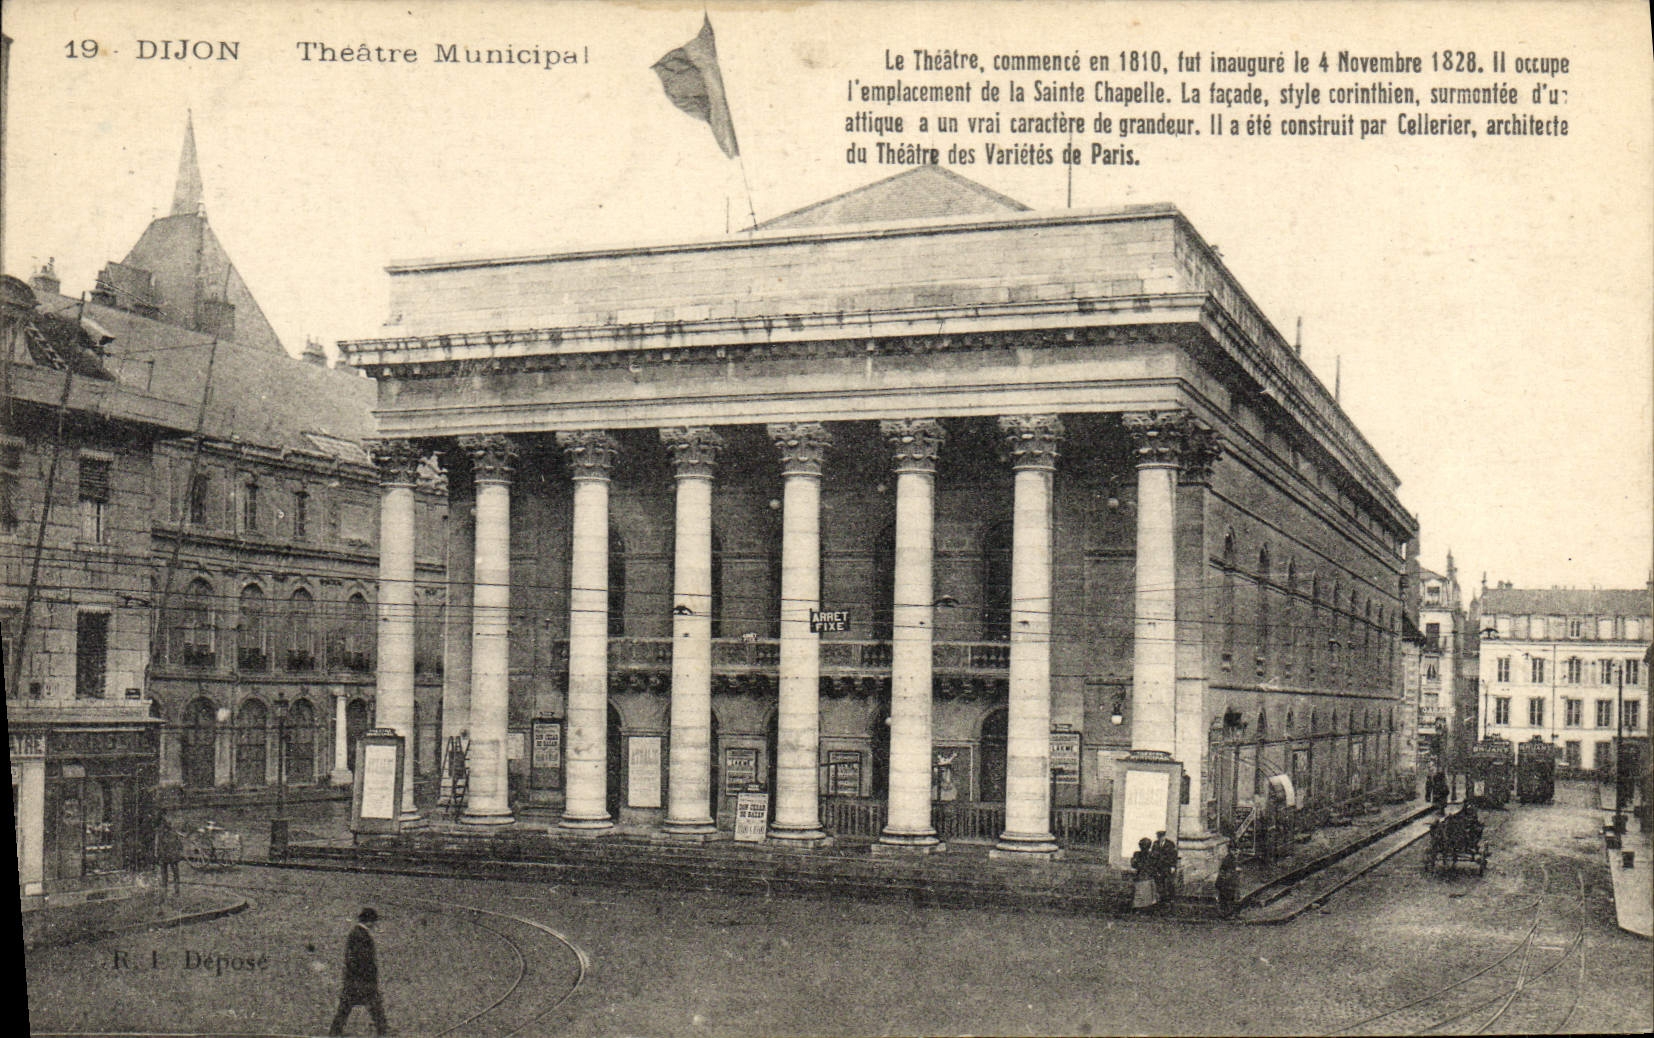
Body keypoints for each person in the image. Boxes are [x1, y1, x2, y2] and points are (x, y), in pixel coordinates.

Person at [330, 907, 387, 1036]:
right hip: (362, 981)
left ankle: (334, 1032)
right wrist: (370, 979)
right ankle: (383, 1032)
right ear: (369, 921)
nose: (375, 925)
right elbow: (364, 961)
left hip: (354, 981)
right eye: (374, 921)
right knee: (375, 1008)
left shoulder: (356, 933)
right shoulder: (361, 935)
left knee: (345, 1008)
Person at [154, 810, 182, 897]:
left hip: (166, 852)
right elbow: (178, 841)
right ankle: (174, 891)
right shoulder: (170, 828)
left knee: (166, 872)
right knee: (173, 871)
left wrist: (157, 853)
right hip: (170, 852)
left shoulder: (161, 829)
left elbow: (158, 842)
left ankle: (167, 890)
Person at [1129, 837, 1158, 910]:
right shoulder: (1138, 854)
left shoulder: (1151, 855)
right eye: (1142, 845)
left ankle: (1143, 907)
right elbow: (1134, 864)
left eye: (1145, 845)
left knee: (1144, 894)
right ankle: (1142, 907)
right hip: (1143, 877)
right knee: (1142, 893)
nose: (1143, 847)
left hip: (1146, 877)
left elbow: (1154, 865)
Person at [1151, 830, 1180, 901]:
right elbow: (1153, 854)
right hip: (1159, 866)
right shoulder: (1155, 843)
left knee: (1169, 882)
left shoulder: (1170, 844)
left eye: (1161, 836)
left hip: (1167, 866)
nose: (1160, 838)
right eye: (1159, 837)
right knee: (1160, 882)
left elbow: (1174, 855)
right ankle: (1162, 897)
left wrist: (1173, 866)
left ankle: (1171, 897)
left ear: (1164, 836)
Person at [1215, 849, 1240, 917]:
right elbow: (1224, 871)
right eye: (1235, 850)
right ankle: (1226, 914)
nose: (1237, 852)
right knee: (1226, 898)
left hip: (1229, 882)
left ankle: (1229, 913)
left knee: (1230, 897)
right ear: (1231, 850)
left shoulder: (1232, 858)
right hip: (1226, 882)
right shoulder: (1228, 859)